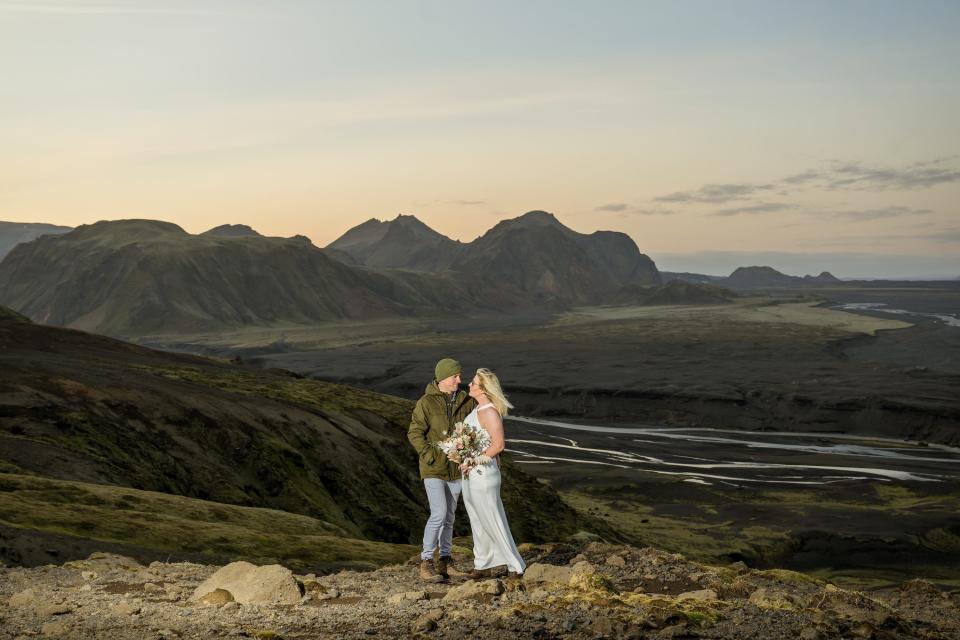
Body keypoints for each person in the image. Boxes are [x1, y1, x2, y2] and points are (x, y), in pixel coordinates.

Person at [407, 357, 477, 582]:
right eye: (455, 376)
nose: (460, 379)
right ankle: (426, 562)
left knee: (449, 516)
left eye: (459, 375)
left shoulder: (467, 401)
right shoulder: (426, 402)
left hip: (457, 469)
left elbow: (475, 428)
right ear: (443, 378)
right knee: (438, 514)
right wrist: (430, 455)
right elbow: (414, 432)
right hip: (433, 469)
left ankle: (445, 561)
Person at [458, 368, 526, 579]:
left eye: (473, 383)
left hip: (483, 474)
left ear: (484, 389)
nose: (469, 385)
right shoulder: (476, 409)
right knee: (477, 519)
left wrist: (473, 460)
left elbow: (498, 446)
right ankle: (483, 563)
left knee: (492, 518)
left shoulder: (489, 411)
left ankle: (516, 566)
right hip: (471, 473)